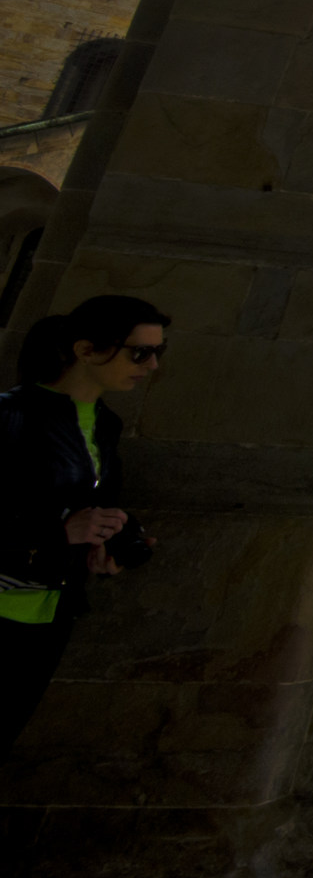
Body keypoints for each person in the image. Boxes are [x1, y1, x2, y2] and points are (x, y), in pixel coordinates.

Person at [0, 295, 168, 756]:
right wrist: (60, 532)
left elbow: (84, 507)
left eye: (158, 352)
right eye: (140, 352)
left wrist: (104, 543)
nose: (152, 365)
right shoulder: (12, 414)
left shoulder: (105, 425)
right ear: (86, 350)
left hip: (49, 613)